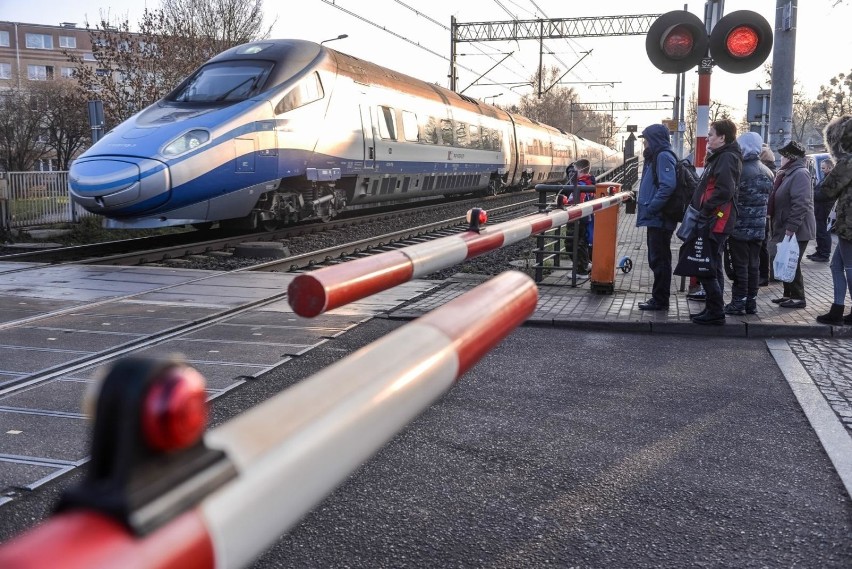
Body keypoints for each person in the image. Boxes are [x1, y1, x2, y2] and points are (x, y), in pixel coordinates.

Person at [690, 119, 742, 325]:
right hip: (715, 218)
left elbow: (724, 190)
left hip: (717, 220)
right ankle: (714, 308)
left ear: (722, 137)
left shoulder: (727, 158)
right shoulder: (723, 156)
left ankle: (715, 311)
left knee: (708, 264)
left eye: (711, 134)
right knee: (712, 265)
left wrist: (706, 209)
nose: (707, 138)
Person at [724, 132, 773, 315]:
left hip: (739, 227)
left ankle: (738, 302)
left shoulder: (740, 171)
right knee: (754, 266)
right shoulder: (768, 172)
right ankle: (751, 302)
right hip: (759, 228)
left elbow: (730, 197)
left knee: (740, 267)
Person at [768, 140, 816, 309]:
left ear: (790, 158)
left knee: (791, 261)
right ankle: (788, 294)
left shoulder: (800, 173)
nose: (780, 159)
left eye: (783, 156)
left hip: (796, 229)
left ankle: (798, 297)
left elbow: (801, 203)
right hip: (785, 226)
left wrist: (791, 228)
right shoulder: (789, 173)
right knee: (784, 259)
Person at [635, 123, 677, 310]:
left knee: (659, 260)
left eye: (646, 140)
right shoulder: (656, 157)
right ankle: (659, 298)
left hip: (660, 218)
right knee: (656, 259)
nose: (644, 144)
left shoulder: (663, 156)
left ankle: (660, 300)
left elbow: (667, 186)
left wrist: (652, 207)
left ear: (654, 140)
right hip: (656, 217)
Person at [815, 115, 852, 325]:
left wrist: (819, 189)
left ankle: (840, 310)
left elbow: (827, 191)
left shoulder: (848, 162)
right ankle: (837, 309)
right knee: (836, 265)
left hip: (849, 222)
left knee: (848, 267)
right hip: (846, 221)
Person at [565, 159, 596, 274]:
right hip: (587, 220)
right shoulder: (590, 183)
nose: (572, 173)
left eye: (575, 170)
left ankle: (582, 270)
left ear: (580, 170)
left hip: (579, 220)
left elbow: (574, 202)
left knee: (573, 244)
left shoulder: (581, 185)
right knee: (580, 244)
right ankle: (583, 267)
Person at [807, 158, 835, 262]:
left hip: (824, 210)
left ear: (830, 167)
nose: (821, 170)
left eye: (823, 168)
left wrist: (812, 194)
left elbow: (824, 194)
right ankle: (820, 251)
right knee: (820, 232)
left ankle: (824, 254)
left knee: (824, 232)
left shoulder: (831, 179)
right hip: (820, 209)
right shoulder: (826, 178)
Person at [758, 144, 777, 285]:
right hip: (764, 214)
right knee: (762, 246)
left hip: (763, 214)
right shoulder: (772, 171)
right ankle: (763, 274)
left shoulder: (766, 172)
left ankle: (764, 274)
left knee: (761, 246)